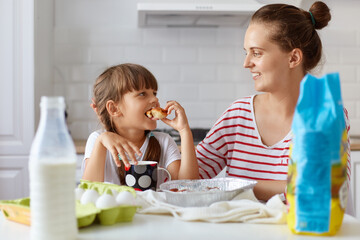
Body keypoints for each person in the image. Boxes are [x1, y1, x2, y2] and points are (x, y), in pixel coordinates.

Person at [196, 1, 352, 204]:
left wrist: (235, 186)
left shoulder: (325, 116)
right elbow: (191, 180)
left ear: (293, 58)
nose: (246, 63)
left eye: (257, 52)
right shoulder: (237, 115)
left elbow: (325, 190)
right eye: (246, 52)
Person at [81, 63, 198, 186]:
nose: (155, 100)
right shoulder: (98, 140)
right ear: (114, 109)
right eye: (142, 94)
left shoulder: (164, 142)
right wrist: (100, 142)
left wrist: (184, 131)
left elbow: (187, 187)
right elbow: (89, 191)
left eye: (154, 93)